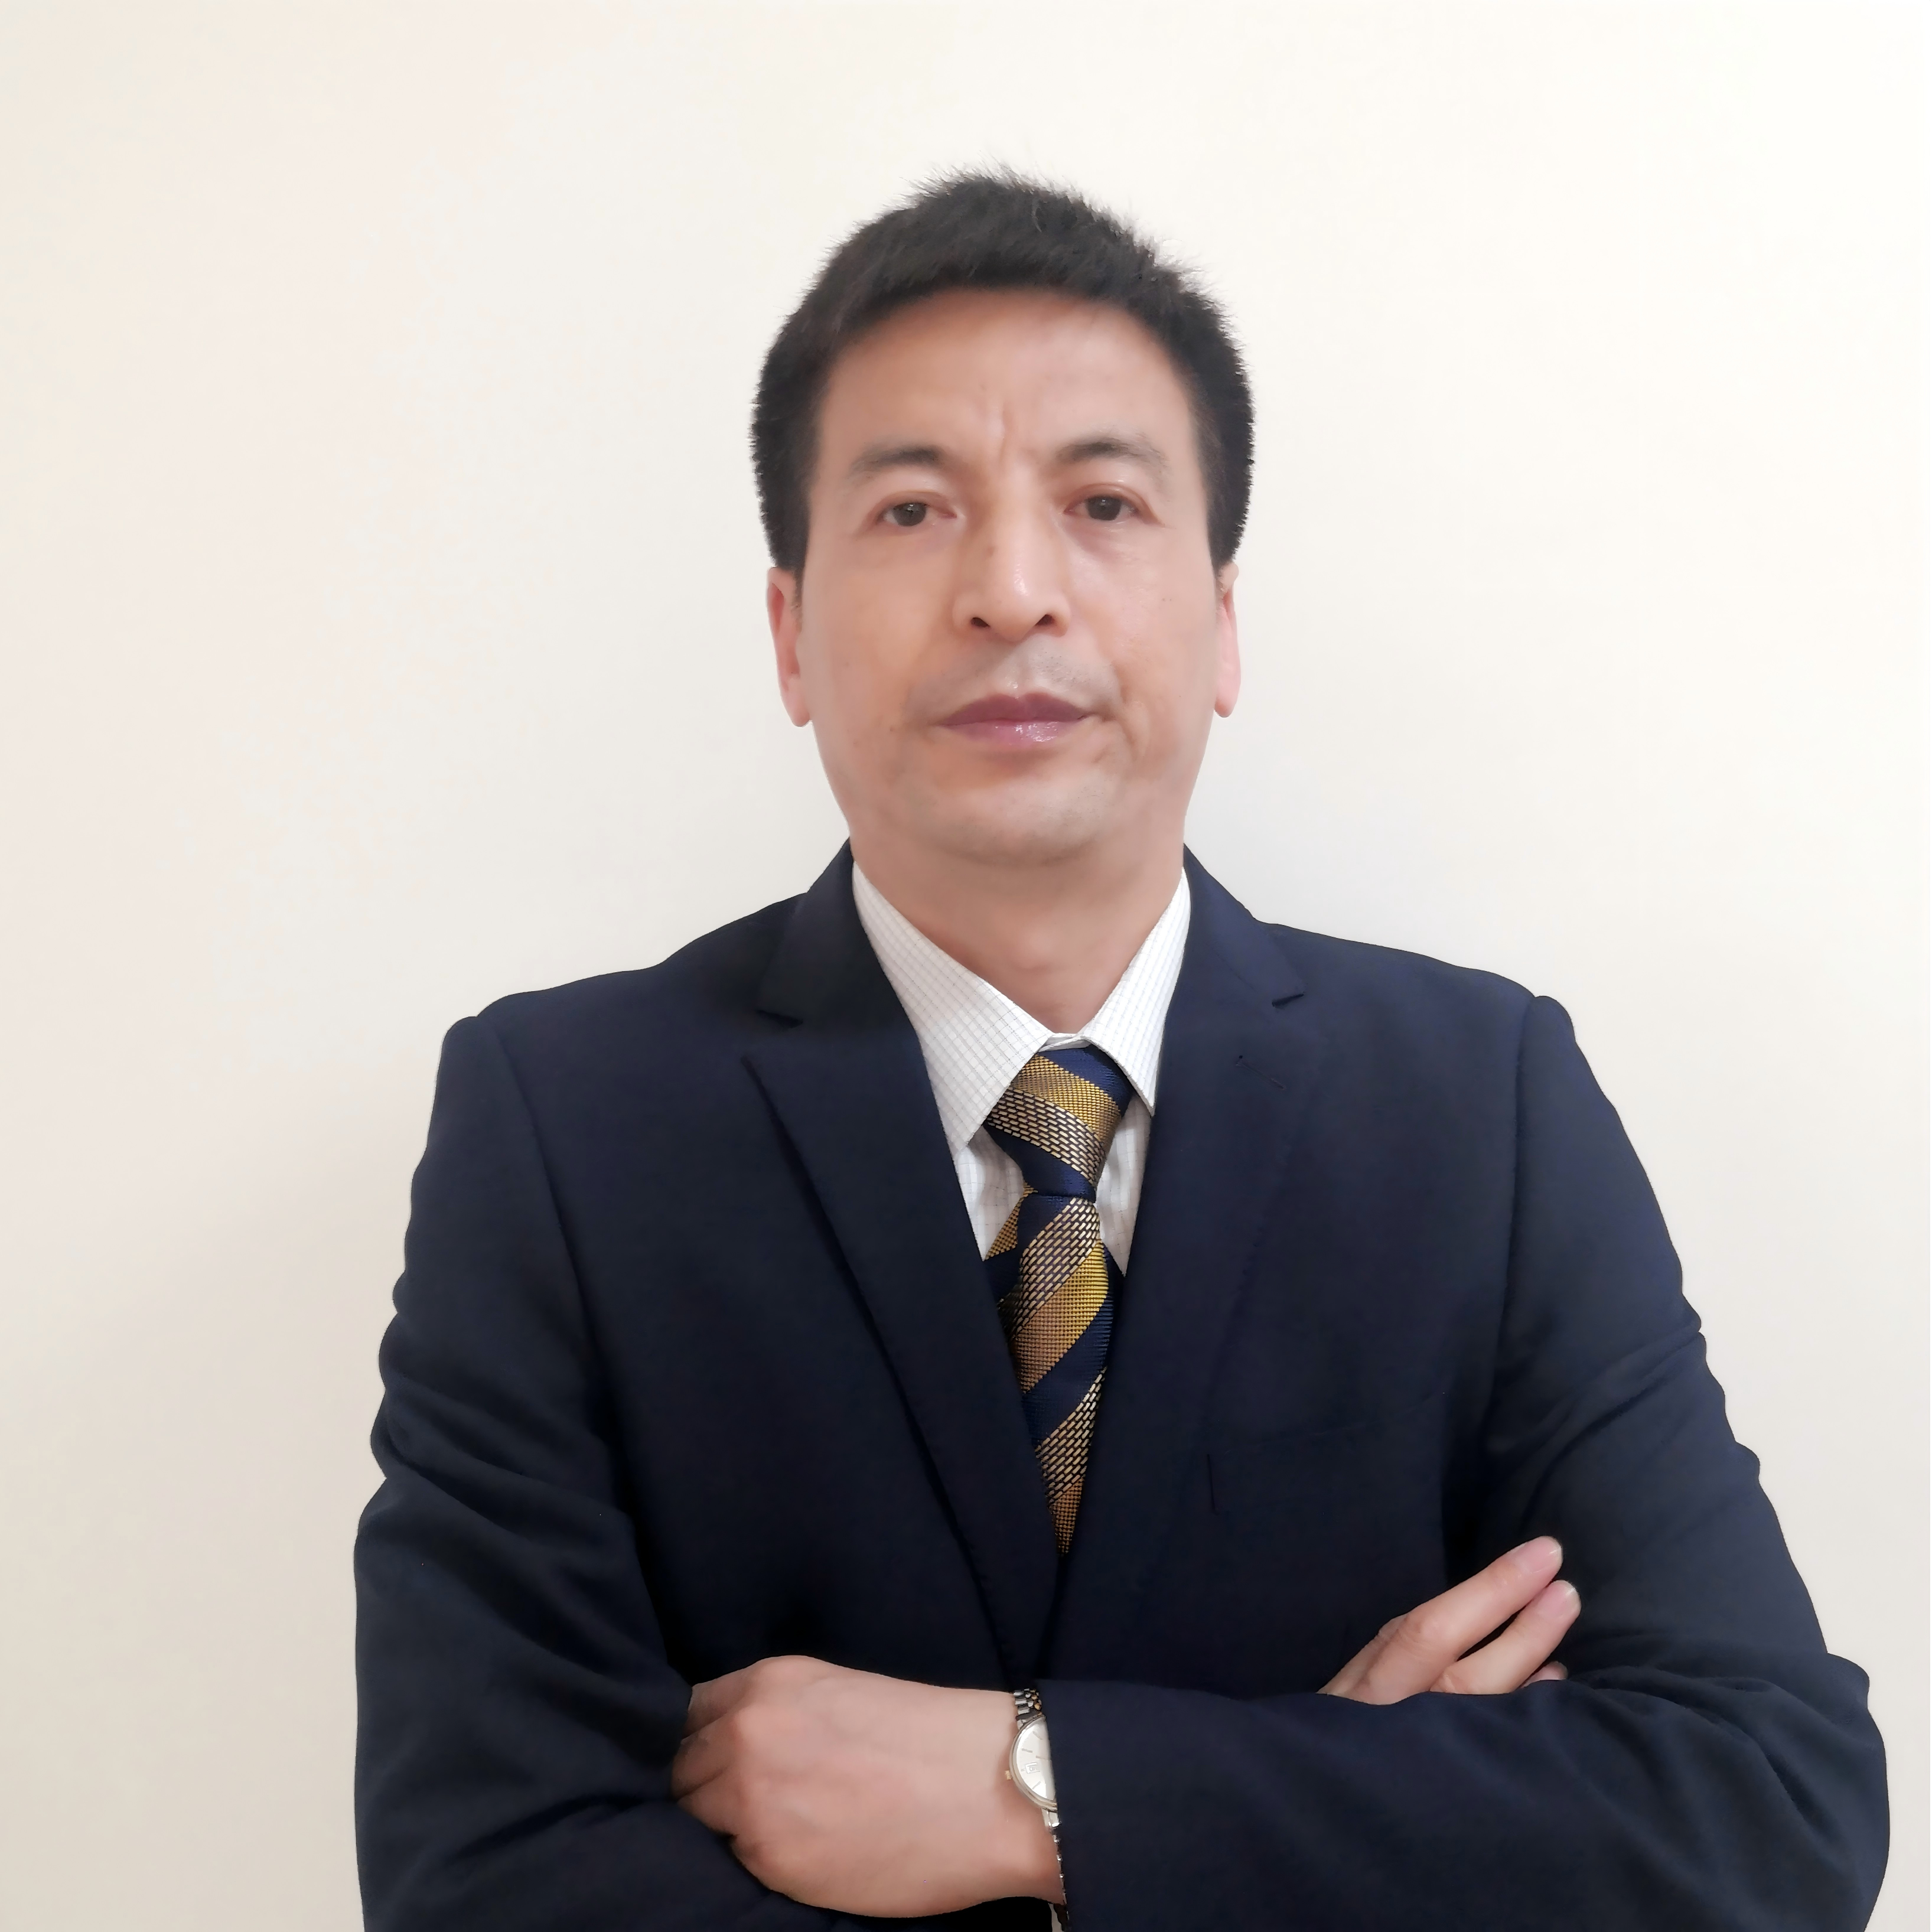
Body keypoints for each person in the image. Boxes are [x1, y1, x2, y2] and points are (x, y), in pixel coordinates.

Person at [353, 173, 1887, 1930]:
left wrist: (1044, 1796)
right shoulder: (565, 1128)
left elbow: (1769, 1808)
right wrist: (1344, 1802)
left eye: (1101, 503)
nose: (1012, 591)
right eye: (913, 508)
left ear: (1221, 622)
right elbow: (483, 1885)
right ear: (789, 635)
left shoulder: (1483, 1102)